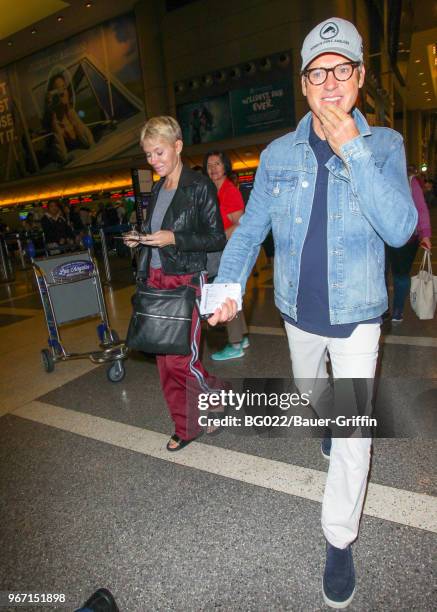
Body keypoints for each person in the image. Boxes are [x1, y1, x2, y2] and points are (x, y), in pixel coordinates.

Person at [208, 17, 417, 609]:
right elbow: (250, 229)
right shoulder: (278, 155)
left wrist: (351, 144)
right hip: (299, 312)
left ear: (360, 79)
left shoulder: (385, 146)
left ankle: (339, 541)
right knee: (309, 390)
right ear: (303, 83)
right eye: (317, 72)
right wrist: (227, 281)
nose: (329, 84)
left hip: (359, 319)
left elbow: (401, 229)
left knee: (353, 435)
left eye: (341, 70)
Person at [123, 116, 226, 451]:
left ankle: (215, 399)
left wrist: (174, 239)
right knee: (165, 362)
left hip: (185, 282)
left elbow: (215, 238)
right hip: (156, 280)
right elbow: (159, 234)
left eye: (159, 152)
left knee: (183, 359)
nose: (153, 161)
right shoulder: (158, 188)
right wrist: (141, 239)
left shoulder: (199, 186)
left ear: (177, 146)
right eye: (149, 155)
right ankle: (186, 423)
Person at [204, 150, 250, 360]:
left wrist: (219, 239)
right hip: (221, 247)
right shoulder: (214, 190)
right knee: (231, 291)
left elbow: (240, 223)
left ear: (226, 167)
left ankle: (235, 344)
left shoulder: (229, 191)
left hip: (228, 248)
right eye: (210, 165)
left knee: (224, 293)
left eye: (217, 164)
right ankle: (243, 337)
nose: (213, 168)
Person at [386, 167, 432, 323]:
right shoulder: (378, 175)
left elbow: (421, 209)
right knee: (383, 274)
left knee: (399, 275)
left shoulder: (410, 181)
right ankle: (387, 310)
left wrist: (425, 234)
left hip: (405, 236)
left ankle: (397, 309)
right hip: (383, 234)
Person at [42, 73, 94, 165]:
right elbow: (62, 158)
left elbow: (89, 142)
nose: (63, 93)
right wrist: (52, 117)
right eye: (57, 91)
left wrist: (72, 117)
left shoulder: (72, 114)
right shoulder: (53, 127)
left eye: (64, 88)